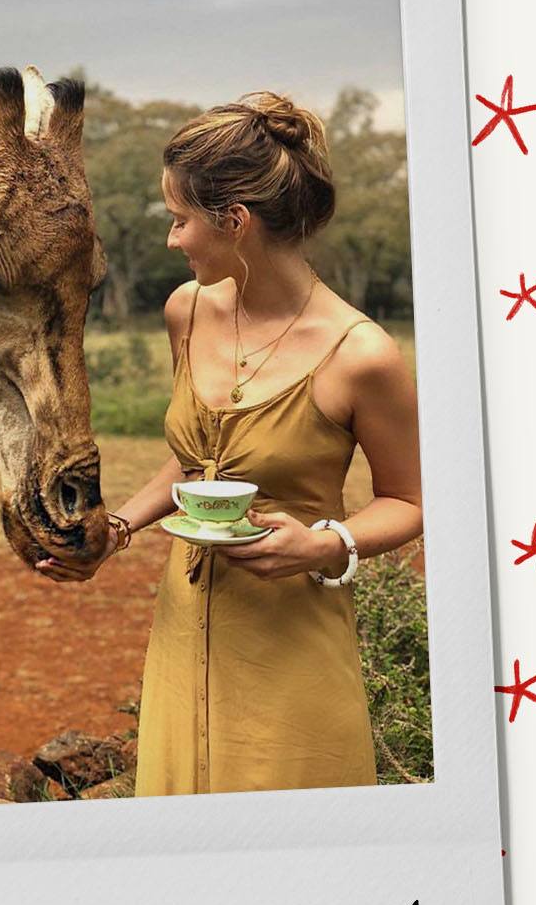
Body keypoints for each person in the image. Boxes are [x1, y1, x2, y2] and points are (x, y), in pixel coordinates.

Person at [36, 91, 423, 796]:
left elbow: (408, 499)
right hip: (181, 635)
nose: (172, 239)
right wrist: (117, 527)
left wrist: (324, 544)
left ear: (235, 221)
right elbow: (195, 462)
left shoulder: (362, 353)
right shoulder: (186, 311)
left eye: (180, 219)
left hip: (293, 644)